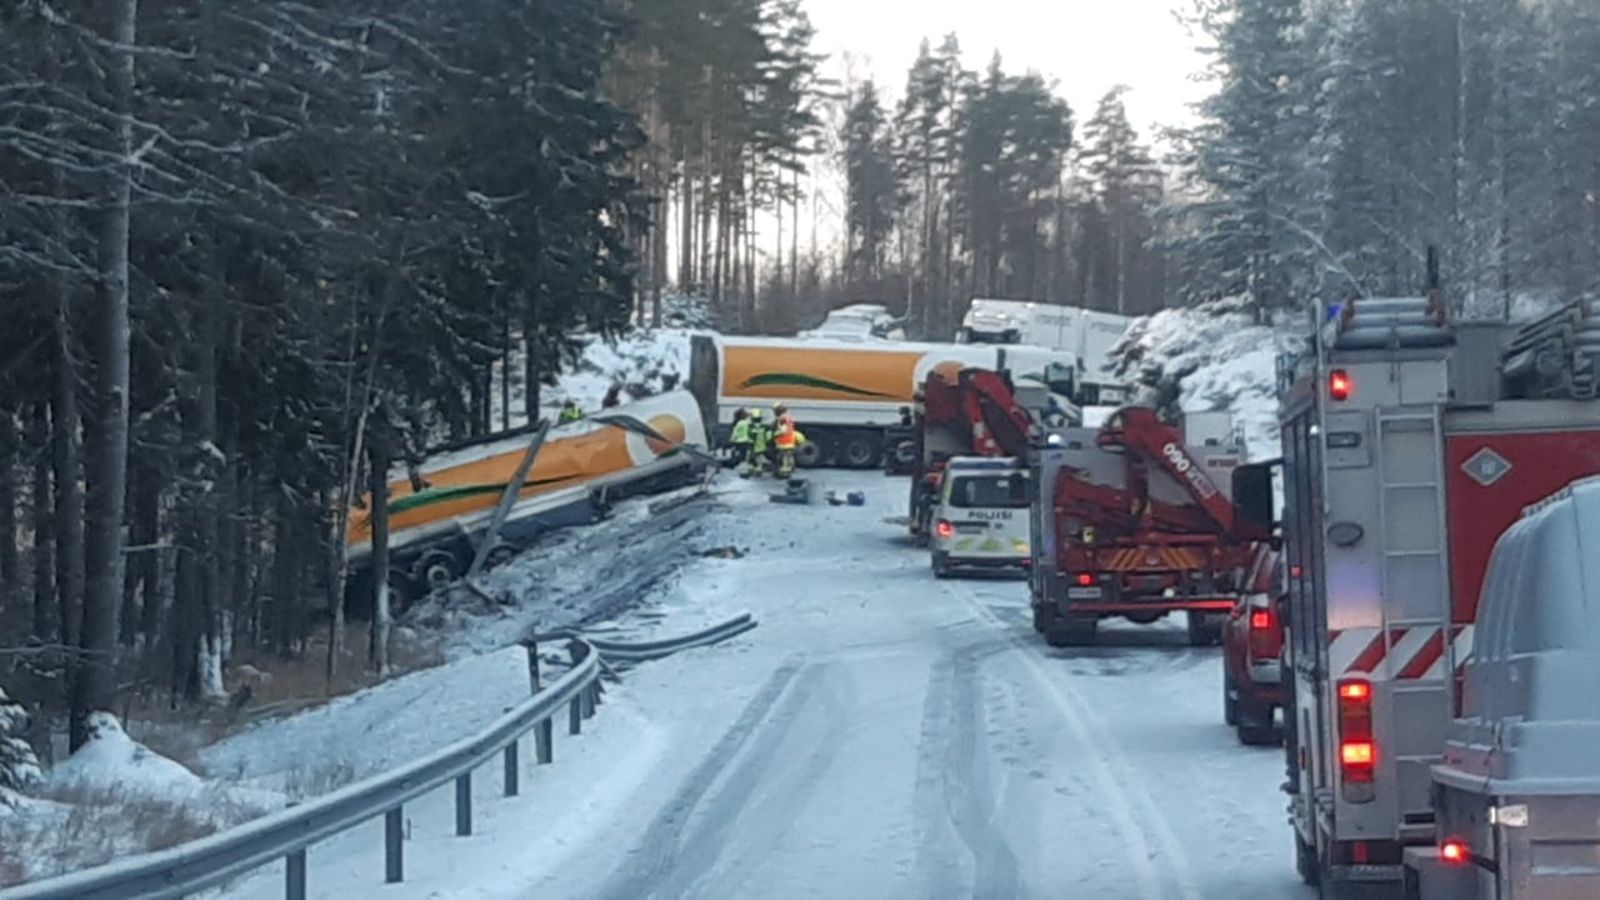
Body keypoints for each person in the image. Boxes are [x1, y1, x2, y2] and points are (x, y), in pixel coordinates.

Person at [772, 402, 799, 478]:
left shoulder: (782, 419)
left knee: (784, 458)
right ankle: (790, 470)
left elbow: (783, 430)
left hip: (783, 443)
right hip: (790, 441)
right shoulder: (788, 417)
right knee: (789, 456)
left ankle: (785, 473)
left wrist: (774, 434)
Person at [745, 409, 770, 477]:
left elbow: (748, 435)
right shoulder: (764, 427)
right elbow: (768, 436)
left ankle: (751, 467)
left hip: (752, 445)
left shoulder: (750, 426)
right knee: (758, 456)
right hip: (760, 445)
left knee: (751, 455)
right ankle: (758, 467)